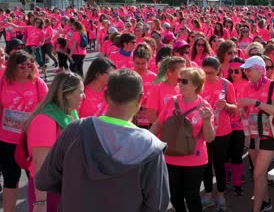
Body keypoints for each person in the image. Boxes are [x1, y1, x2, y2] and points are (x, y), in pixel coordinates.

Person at [35, 69, 171, 212]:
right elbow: (157, 204)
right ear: (140, 99)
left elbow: (44, 180)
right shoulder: (150, 147)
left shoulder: (75, 130)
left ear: (106, 96)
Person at [151, 67, 216, 212]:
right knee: (174, 196)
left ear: (195, 85)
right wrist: (146, 141)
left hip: (195, 159)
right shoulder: (172, 102)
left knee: (192, 195)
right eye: (179, 80)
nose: (180, 84)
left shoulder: (205, 107)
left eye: (184, 81)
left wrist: (206, 121)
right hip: (171, 157)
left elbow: (210, 138)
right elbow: (158, 124)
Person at [25, 72, 84, 211]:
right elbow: (40, 164)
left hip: (65, 185)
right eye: (80, 92)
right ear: (67, 93)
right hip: (49, 192)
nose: (83, 96)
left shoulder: (71, 111)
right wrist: (40, 202)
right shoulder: (45, 119)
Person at [0, 50, 48, 212]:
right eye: (22, 66)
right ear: (12, 66)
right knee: (10, 179)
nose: (27, 69)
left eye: (30, 65)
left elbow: (46, 110)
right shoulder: (3, 82)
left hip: (31, 141)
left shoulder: (38, 83)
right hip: (7, 140)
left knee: (35, 181)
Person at [237, 56, 274, 212]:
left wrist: (254, 103)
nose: (246, 72)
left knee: (258, 174)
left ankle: (256, 209)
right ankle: (266, 202)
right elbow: (243, 110)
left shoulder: (273, 85)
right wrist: (241, 109)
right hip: (251, 135)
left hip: (268, 136)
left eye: (249, 69)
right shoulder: (246, 86)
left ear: (259, 69)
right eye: (245, 69)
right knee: (259, 175)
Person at [200, 57, 237, 211]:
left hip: (222, 131)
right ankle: (208, 194)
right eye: (204, 72)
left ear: (218, 71)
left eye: (211, 73)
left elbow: (234, 107)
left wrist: (226, 105)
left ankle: (220, 194)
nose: (207, 76)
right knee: (205, 165)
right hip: (204, 131)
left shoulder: (226, 85)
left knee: (219, 164)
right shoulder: (199, 84)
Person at [225, 57, 249, 196]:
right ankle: (227, 179)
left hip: (240, 125)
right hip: (225, 124)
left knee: (237, 155)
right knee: (225, 154)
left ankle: (237, 184)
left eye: (237, 71)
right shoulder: (226, 84)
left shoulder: (248, 84)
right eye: (231, 71)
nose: (234, 73)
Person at [146, 56, 186, 124]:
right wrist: (166, 130)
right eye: (181, 71)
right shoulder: (157, 88)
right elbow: (151, 116)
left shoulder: (184, 88)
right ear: (169, 72)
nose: (184, 74)